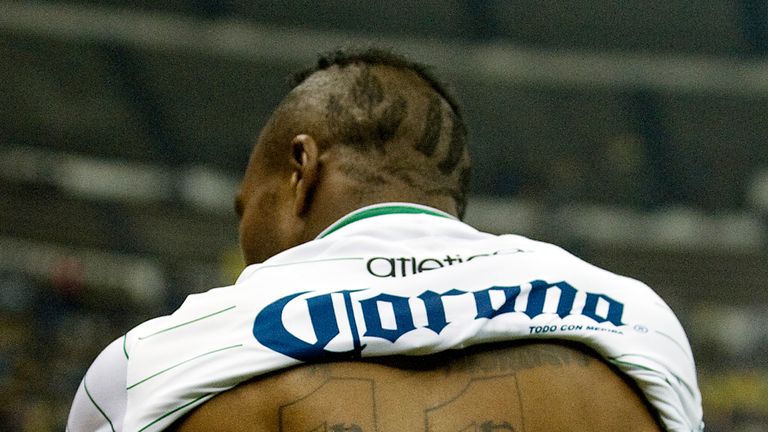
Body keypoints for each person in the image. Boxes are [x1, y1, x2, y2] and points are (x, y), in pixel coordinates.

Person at [67, 47, 703, 432]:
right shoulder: (640, 327)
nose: (244, 233)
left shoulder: (149, 367)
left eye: (246, 206)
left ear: (301, 170)